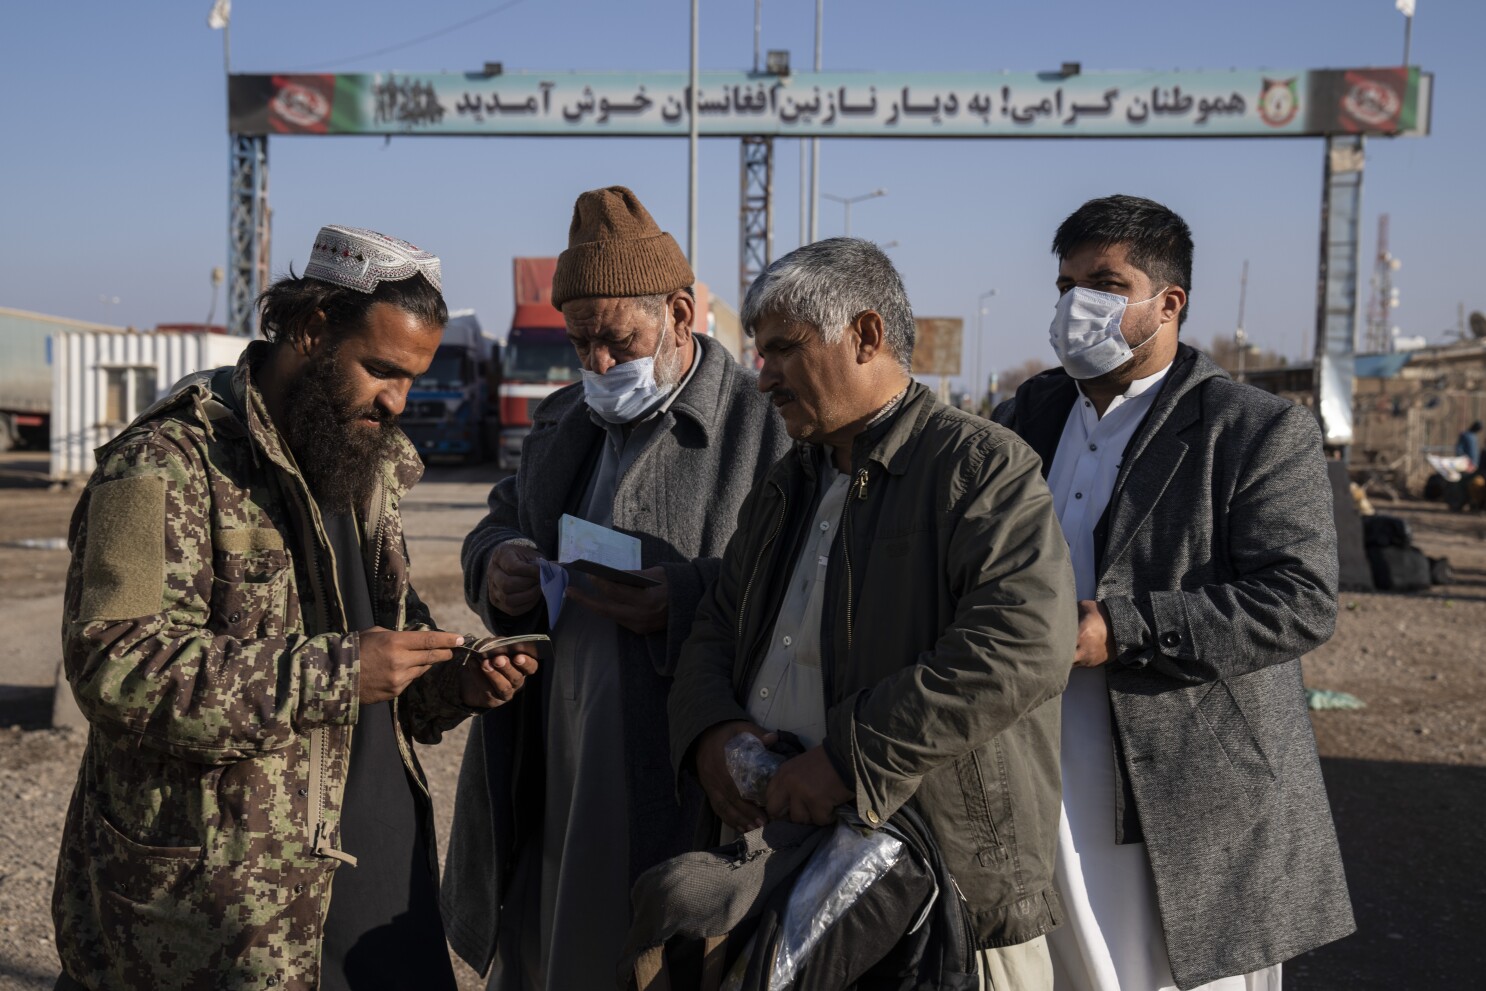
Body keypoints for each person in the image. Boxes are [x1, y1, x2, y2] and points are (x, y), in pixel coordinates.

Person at [52, 226, 540, 991]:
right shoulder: (166, 464)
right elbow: (117, 667)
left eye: (413, 377)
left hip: (378, 890)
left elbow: (385, 627)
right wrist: (339, 672)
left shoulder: (360, 454)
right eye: (381, 369)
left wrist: (454, 679)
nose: (398, 400)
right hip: (228, 918)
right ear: (311, 330)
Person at [668, 238, 1077, 990]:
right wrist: (711, 731)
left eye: (784, 350)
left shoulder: (980, 467)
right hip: (784, 862)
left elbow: (1021, 643)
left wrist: (849, 761)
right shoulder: (787, 486)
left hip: (935, 886)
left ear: (864, 335)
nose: (764, 378)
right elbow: (716, 625)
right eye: (760, 354)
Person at [993, 194, 1354, 991]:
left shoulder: (1253, 431)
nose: (1074, 306)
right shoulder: (1032, 414)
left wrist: (1118, 631)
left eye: (1104, 282)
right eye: (1065, 285)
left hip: (1188, 797)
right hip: (1042, 771)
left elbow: (1297, 600)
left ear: (1169, 303)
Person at [445, 186, 792, 990]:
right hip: (554, 745)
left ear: (679, 313)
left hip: (671, 760)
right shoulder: (565, 422)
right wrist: (496, 564)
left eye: (618, 340)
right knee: (549, 935)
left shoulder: (760, 427)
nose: (599, 364)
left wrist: (686, 594)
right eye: (581, 344)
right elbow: (494, 523)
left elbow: (796, 578)